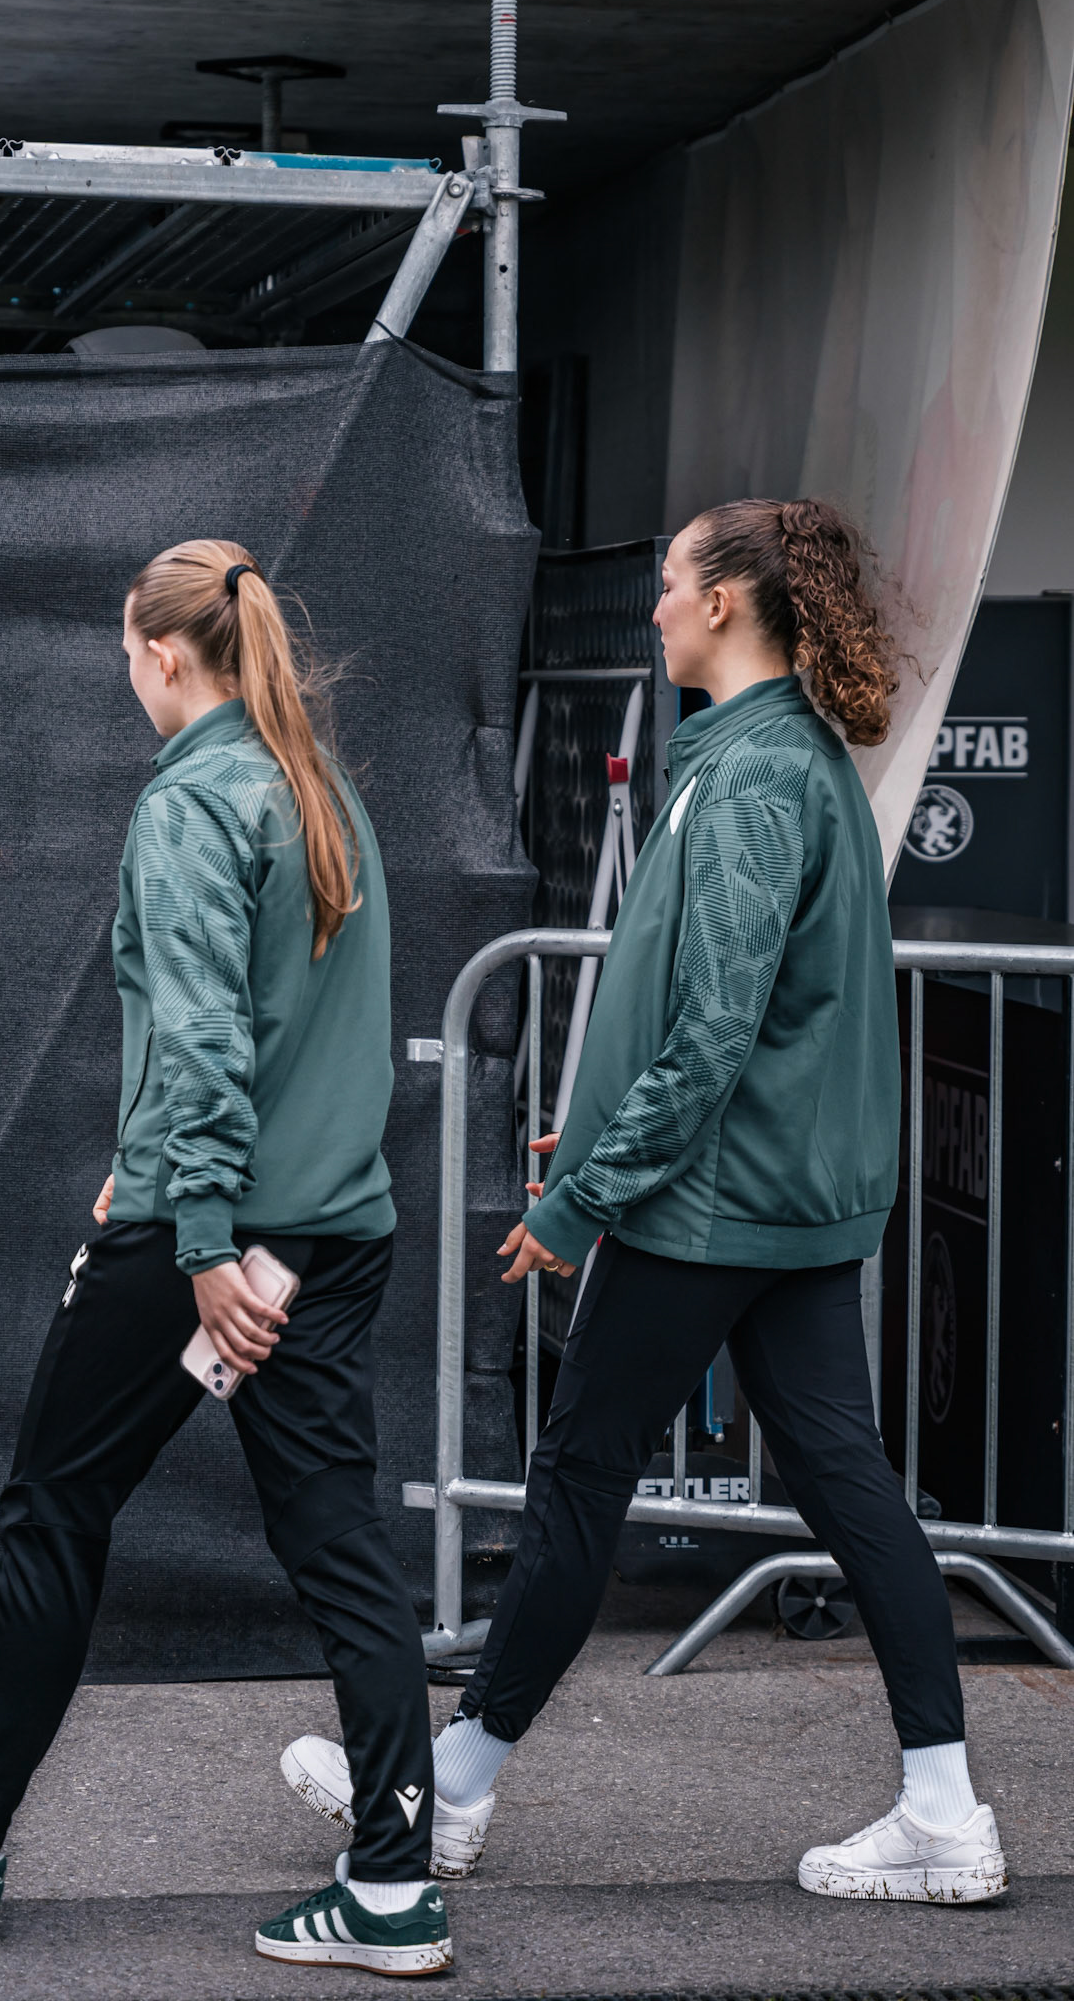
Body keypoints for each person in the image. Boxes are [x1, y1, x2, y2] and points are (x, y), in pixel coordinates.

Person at [284, 497, 1009, 1905]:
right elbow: (736, 1017)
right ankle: (943, 1809)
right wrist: (610, 1125)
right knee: (852, 1488)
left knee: (573, 1484)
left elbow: (716, 1028)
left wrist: (587, 1192)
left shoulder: (744, 778)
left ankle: (450, 1799)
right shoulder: (784, 760)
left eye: (671, 582)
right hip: (777, 1198)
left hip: (707, 1204)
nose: (656, 602)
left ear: (726, 604)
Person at [0, 540, 451, 1976]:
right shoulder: (316, 785)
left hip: (203, 1241)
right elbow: (280, 1030)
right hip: (331, 1234)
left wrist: (197, 1228)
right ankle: (393, 1885)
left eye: (124, 651)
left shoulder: (197, 799)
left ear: (161, 654)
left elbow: (212, 1035)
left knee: (52, 1511)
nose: (124, 671)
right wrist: (170, 1162)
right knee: (341, 1550)